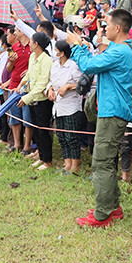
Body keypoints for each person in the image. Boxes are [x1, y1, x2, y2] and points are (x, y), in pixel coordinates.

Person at [68, 8, 132, 227]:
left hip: (112, 112)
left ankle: (103, 213)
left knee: (102, 161)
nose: (103, 28)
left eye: (106, 24)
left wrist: (76, 45)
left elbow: (88, 65)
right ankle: (112, 206)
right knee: (106, 160)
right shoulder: (120, 49)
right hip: (111, 110)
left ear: (118, 28)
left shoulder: (119, 51)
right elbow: (95, 62)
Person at [48, 39, 84, 175]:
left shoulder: (73, 66)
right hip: (58, 105)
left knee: (71, 136)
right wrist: (50, 90)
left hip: (71, 106)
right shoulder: (55, 66)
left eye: (56, 50)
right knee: (62, 136)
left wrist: (68, 86)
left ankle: (75, 165)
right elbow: (51, 82)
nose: (54, 53)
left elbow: (81, 84)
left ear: (62, 53)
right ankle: (67, 163)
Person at [19, 32, 53, 171]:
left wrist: (26, 98)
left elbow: (41, 83)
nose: (29, 43)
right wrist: (21, 84)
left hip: (41, 100)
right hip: (32, 99)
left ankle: (47, 160)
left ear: (36, 44)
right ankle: (40, 156)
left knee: (43, 131)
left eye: (31, 41)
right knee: (36, 130)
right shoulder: (33, 56)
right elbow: (29, 74)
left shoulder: (47, 61)